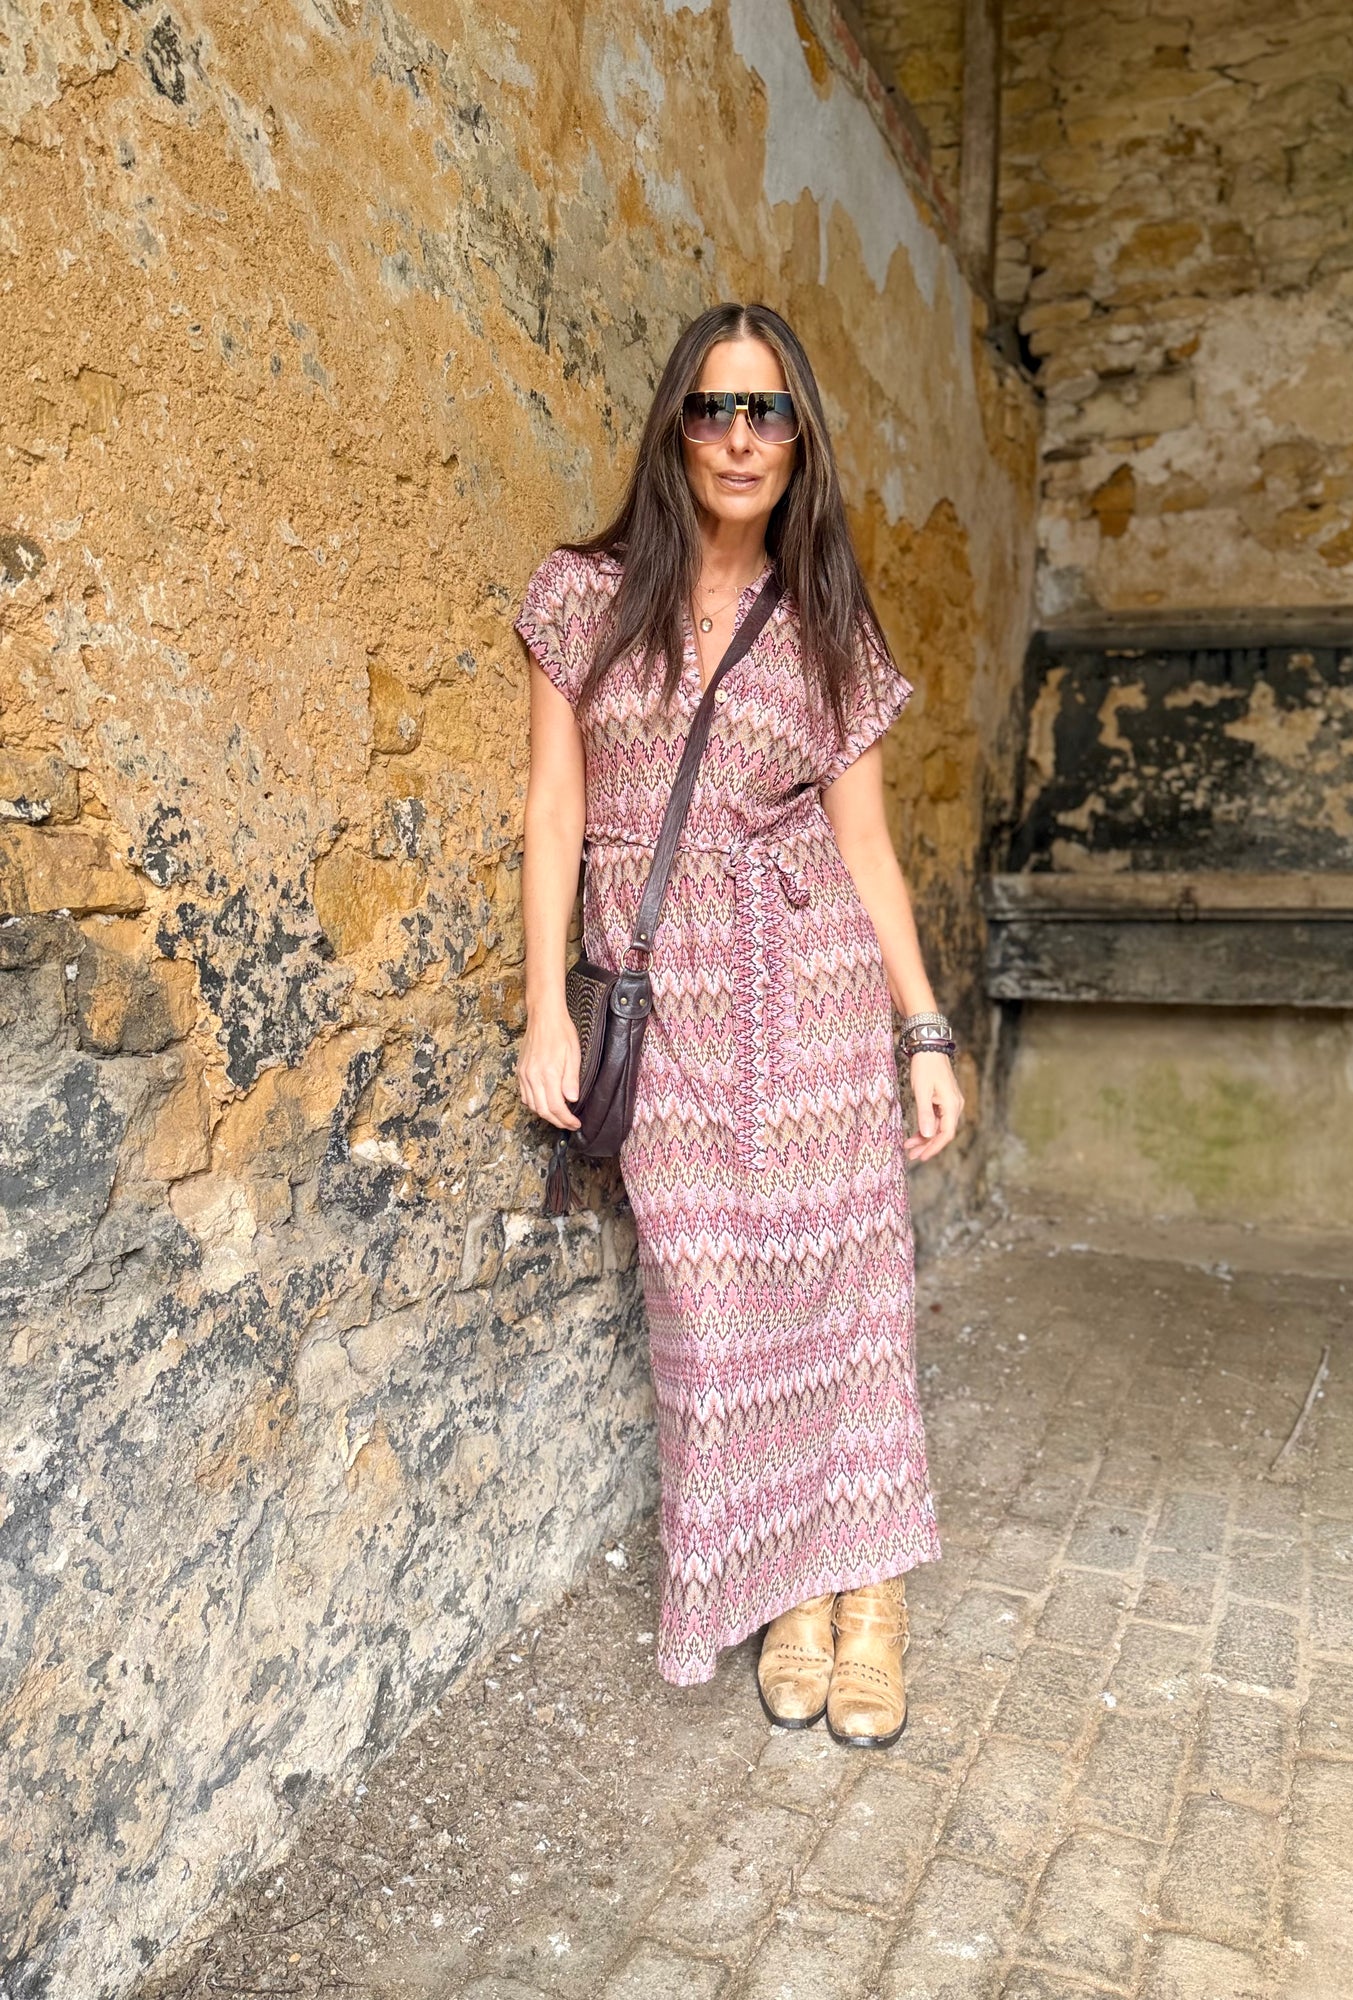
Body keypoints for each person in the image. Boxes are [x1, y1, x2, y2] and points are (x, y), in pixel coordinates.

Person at [514, 301, 964, 1749]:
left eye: (767, 412)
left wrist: (923, 1030)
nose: (740, 437)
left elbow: (867, 848)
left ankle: (864, 1598)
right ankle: (783, 1582)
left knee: (846, 1287)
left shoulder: (831, 628)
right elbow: (555, 810)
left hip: (810, 985)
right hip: (666, 1004)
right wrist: (543, 1007)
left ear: (799, 440)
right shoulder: (581, 597)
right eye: (715, 407)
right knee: (711, 1307)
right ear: (675, 428)